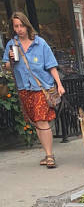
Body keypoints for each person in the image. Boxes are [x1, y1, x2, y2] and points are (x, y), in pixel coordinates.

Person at [2, 11, 65, 168]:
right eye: (16, 26)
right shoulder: (12, 44)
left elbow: (51, 66)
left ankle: (50, 156)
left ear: (27, 25)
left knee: (42, 120)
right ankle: (47, 154)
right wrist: (10, 60)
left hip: (41, 87)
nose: (19, 29)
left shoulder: (40, 43)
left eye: (21, 25)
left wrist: (59, 84)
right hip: (25, 88)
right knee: (37, 122)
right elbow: (7, 68)